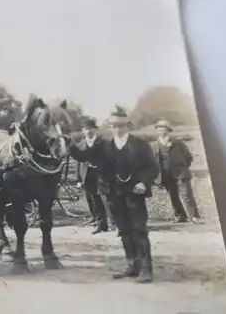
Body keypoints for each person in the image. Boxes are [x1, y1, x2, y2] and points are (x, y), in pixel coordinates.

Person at [99, 106, 159, 283]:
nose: (118, 129)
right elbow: (101, 170)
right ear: (110, 126)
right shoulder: (106, 146)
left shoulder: (139, 144)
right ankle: (133, 265)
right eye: (114, 125)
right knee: (124, 231)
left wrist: (143, 182)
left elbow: (152, 167)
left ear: (128, 125)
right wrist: (106, 187)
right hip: (115, 196)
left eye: (121, 125)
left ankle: (147, 269)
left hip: (135, 194)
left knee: (139, 230)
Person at [152, 119, 202, 223]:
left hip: (181, 173)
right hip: (165, 175)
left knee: (187, 195)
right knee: (173, 196)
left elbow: (188, 157)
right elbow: (153, 162)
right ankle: (180, 216)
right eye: (159, 129)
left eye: (164, 128)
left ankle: (194, 217)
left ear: (168, 130)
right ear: (157, 131)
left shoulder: (178, 143)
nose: (161, 131)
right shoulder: (154, 146)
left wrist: (182, 167)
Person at [74, 118, 114, 234]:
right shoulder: (81, 144)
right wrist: (78, 178)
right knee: (94, 199)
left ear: (95, 130)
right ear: (83, 131)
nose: (88, 131)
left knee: (107, 198)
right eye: (86, 129)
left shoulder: (104, 143)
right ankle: (101, 224)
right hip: (88, 174)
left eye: (91, 129)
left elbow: (111, 159)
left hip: (102, 173)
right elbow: (79, 162)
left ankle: (114, 223)